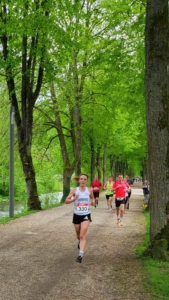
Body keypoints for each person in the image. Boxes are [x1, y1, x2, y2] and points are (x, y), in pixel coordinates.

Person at [65, 174, 95, 263]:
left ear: (86, 181)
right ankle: (80, 241)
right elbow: (66, 201)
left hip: (86, 214)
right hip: (77, 214)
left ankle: (80, 255)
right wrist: (73, 199)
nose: (83, 181)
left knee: (82, 235)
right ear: (79, 180)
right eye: (81, 179)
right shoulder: (74, 190)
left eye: (84, 179)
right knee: (78, 235)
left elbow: (92, 198)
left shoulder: (89, 190)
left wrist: (93, 202)